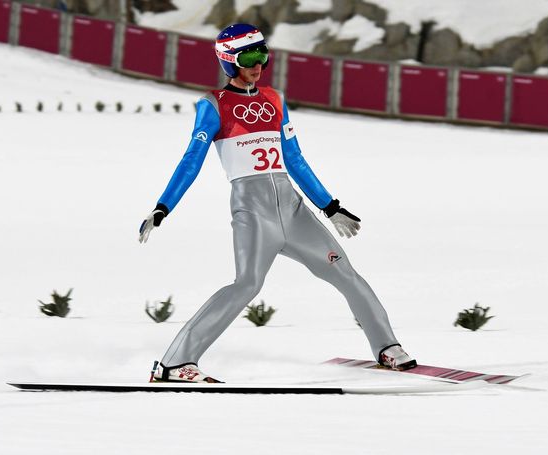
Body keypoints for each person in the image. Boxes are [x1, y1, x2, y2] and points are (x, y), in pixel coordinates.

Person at [139, 23, 416, 383]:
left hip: (293, 209)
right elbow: (192, 160)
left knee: (345, 272)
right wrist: (164, 206)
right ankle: (174, 363)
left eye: (263, 56)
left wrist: (330, 206)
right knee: (247, 284)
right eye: (249, 58)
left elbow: (295, 159)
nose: (258, 65)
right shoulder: (213, 105)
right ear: (229, 61)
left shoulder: (274, 99)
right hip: (254, 211)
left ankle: (387, 348)